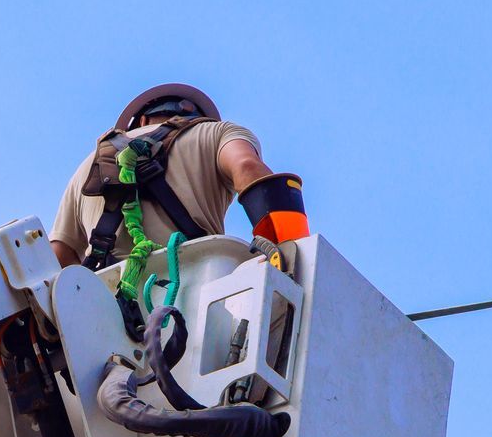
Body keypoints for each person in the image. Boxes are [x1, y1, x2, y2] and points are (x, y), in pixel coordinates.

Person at [48, 84, 309, 328]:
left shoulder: (87, 167)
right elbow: (247, 168)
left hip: (108, 322)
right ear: (198, 117)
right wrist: (292, 258)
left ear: (141, 121)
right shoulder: (219, 133)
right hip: (195, 303)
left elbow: (59, 256)